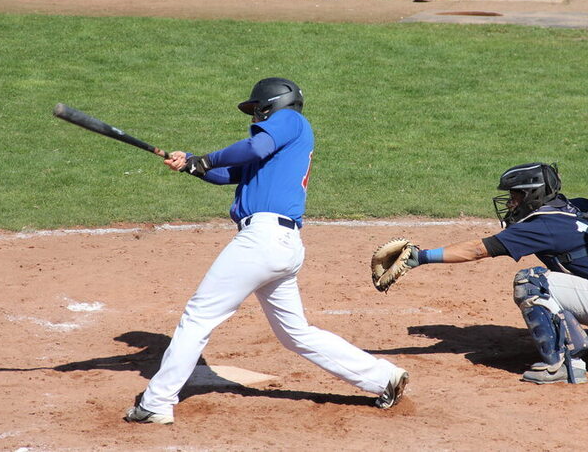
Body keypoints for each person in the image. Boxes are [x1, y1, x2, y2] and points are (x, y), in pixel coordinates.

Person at [124, 77, 408, 425]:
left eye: (258, 110)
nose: (255, 117)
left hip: (260, 242)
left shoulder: (290, 121)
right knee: (295, 333)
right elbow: (229, 172)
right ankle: (383, 378)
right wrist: (190, 166)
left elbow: (247, 151)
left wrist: (206, 158)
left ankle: (157, 402)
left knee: (198, 318)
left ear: (273, 105)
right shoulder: (274, 147)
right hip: (280, 245)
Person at [393, 162, 588, 384]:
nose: (511, 203)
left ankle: (563, 363)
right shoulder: (580, 205)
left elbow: (477, 250)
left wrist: (422, 256)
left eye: (515, 196)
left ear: (532, 194)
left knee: (531, 281)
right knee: (572, 270)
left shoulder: (540, 225)